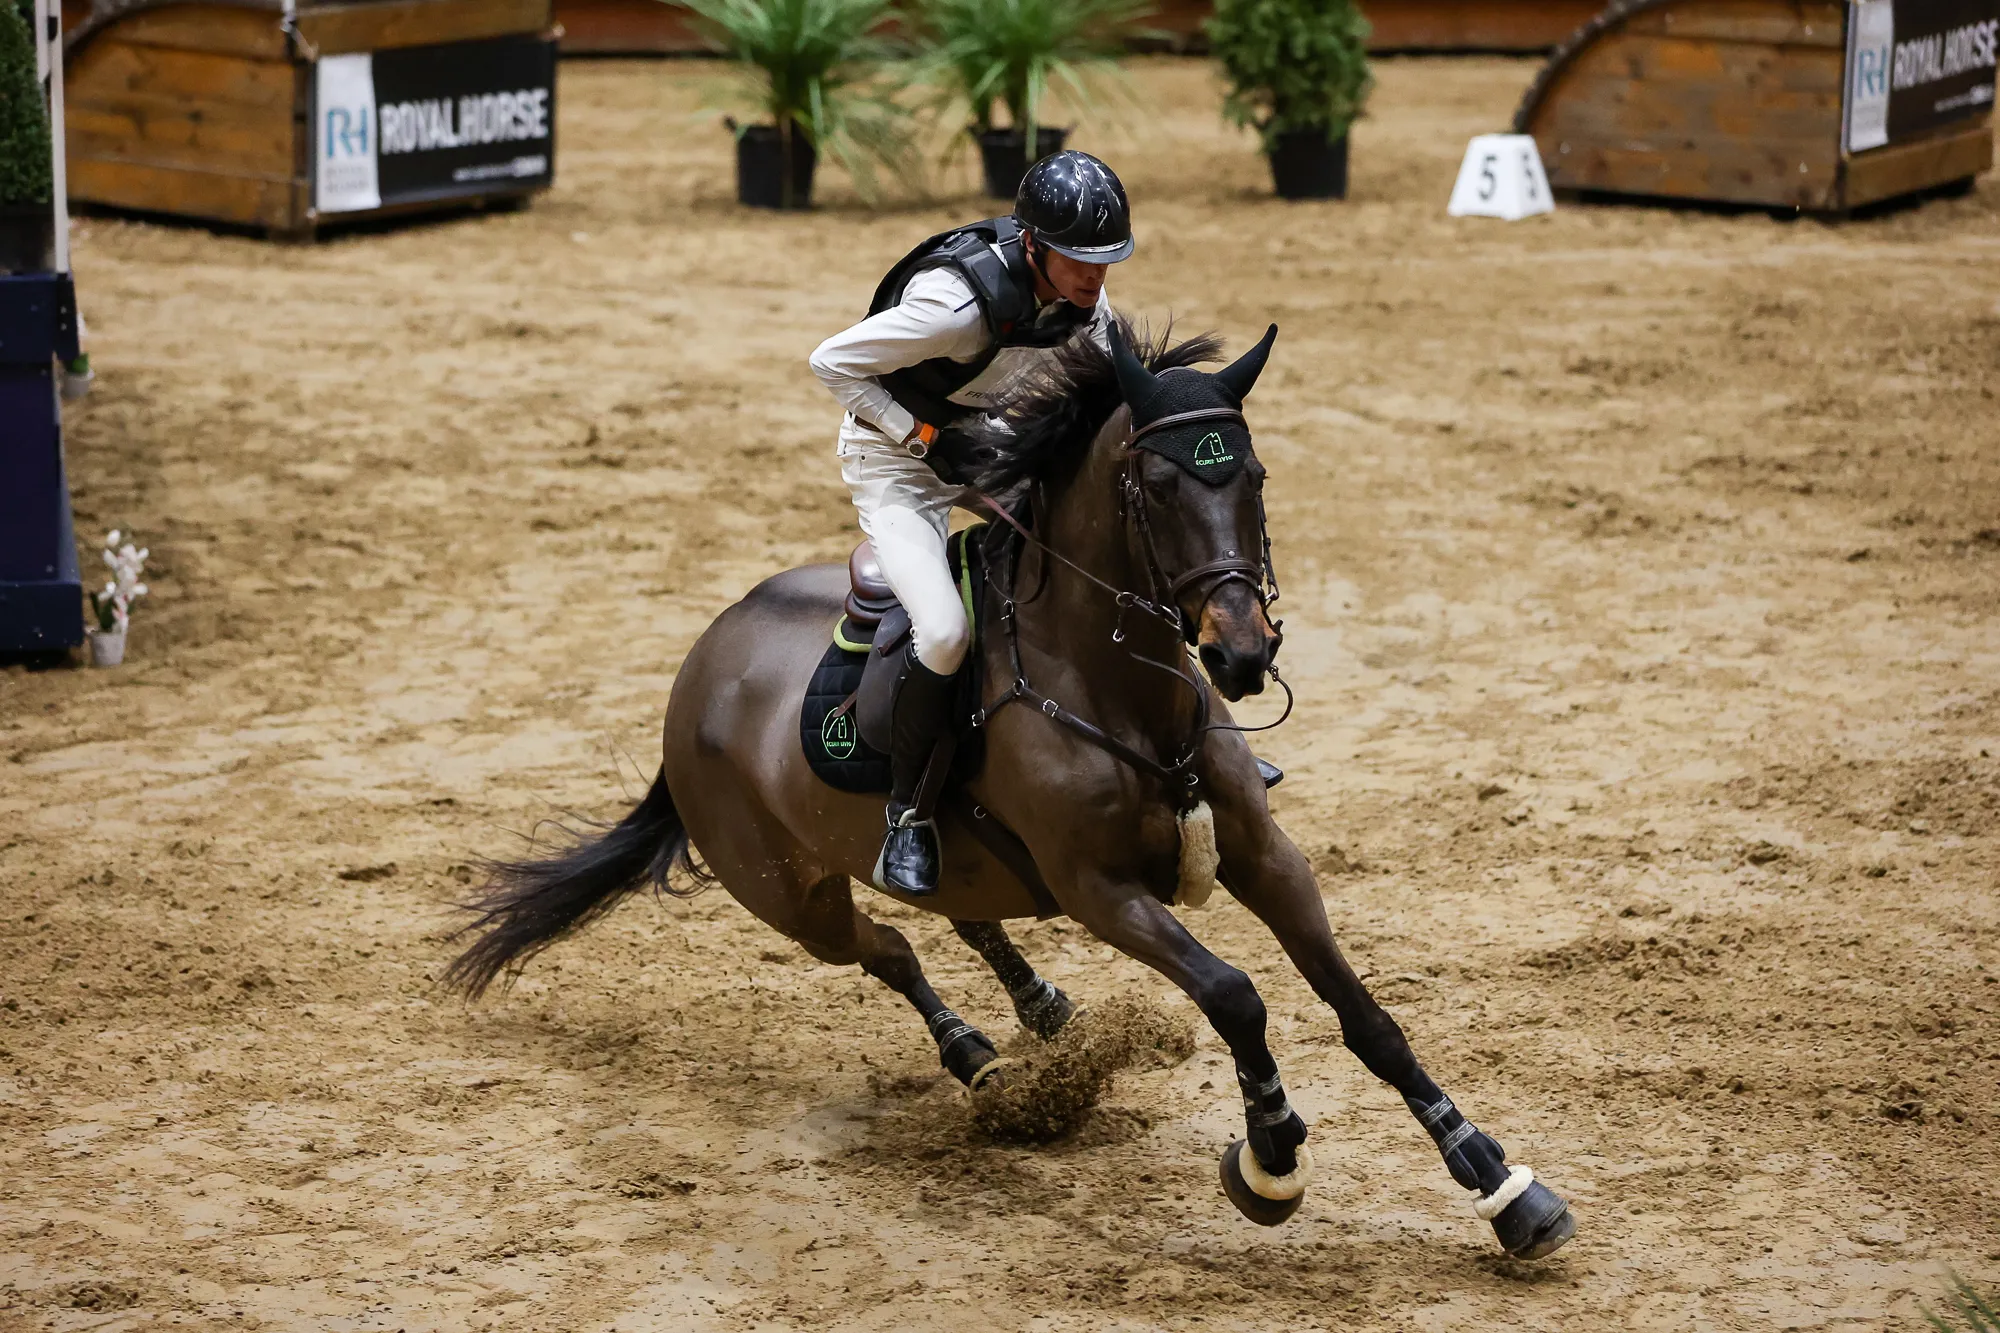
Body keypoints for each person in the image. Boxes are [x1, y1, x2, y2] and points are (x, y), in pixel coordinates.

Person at [810, 151, 1280, 899]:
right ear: (1033, 246)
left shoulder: (1085, 308)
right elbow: (831, 361)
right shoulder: (952, 306)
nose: (1095, 277)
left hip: (987, 455)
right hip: (895, 465)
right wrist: (922, 438)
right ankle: (909, 813)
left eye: (1107, 259)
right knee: (942, 631)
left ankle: (1202, 740)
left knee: (1117, 561)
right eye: (1079, 259)